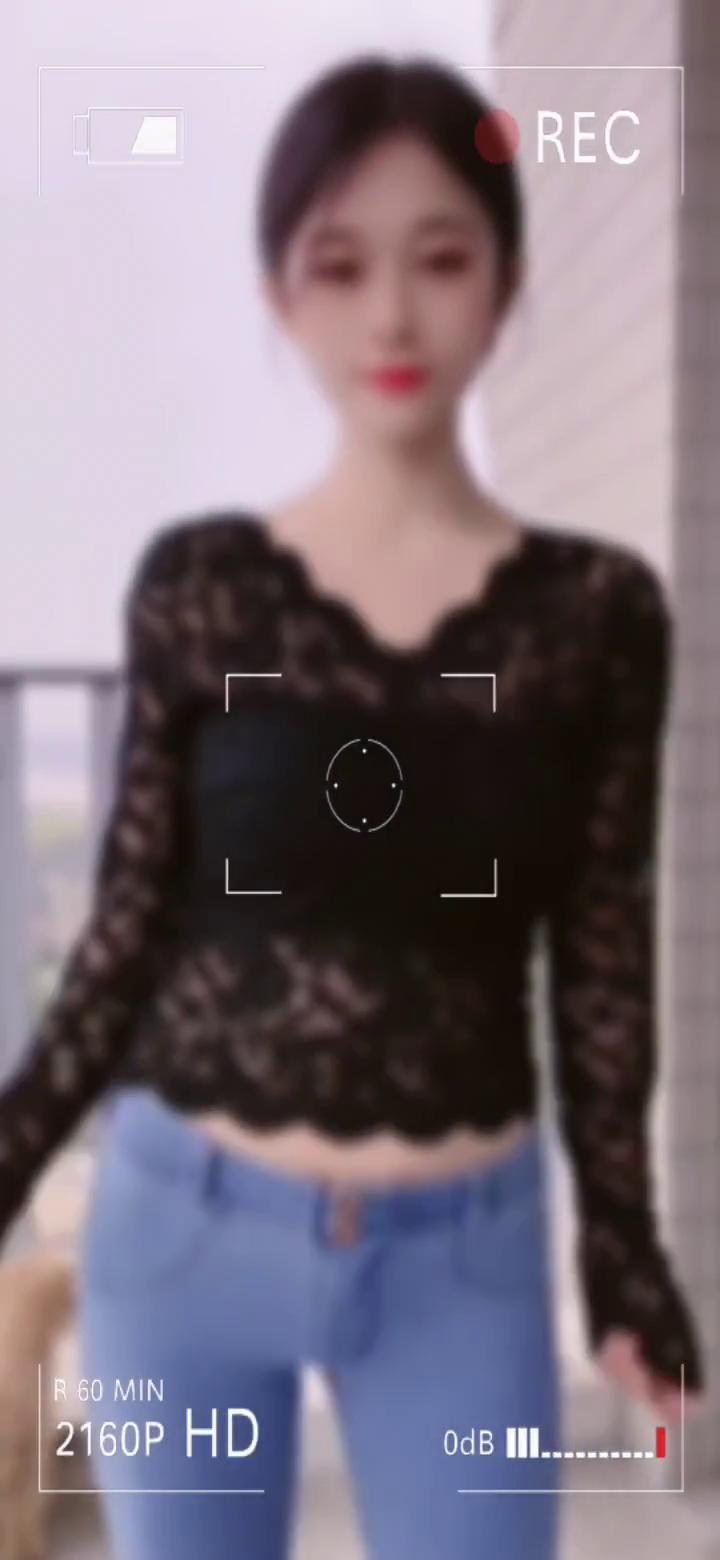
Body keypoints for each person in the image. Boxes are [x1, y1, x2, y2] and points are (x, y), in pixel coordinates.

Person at [0, 52, 706, 1560]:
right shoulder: (199, 586)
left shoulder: (598, 615)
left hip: (465, 1261)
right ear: (281, 293)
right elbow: (125, 934)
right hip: (183, 1237)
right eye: (340, 265)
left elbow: (600, 950)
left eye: (440, 259)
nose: (391, 315)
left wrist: (624, 1247)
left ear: (507, 279)